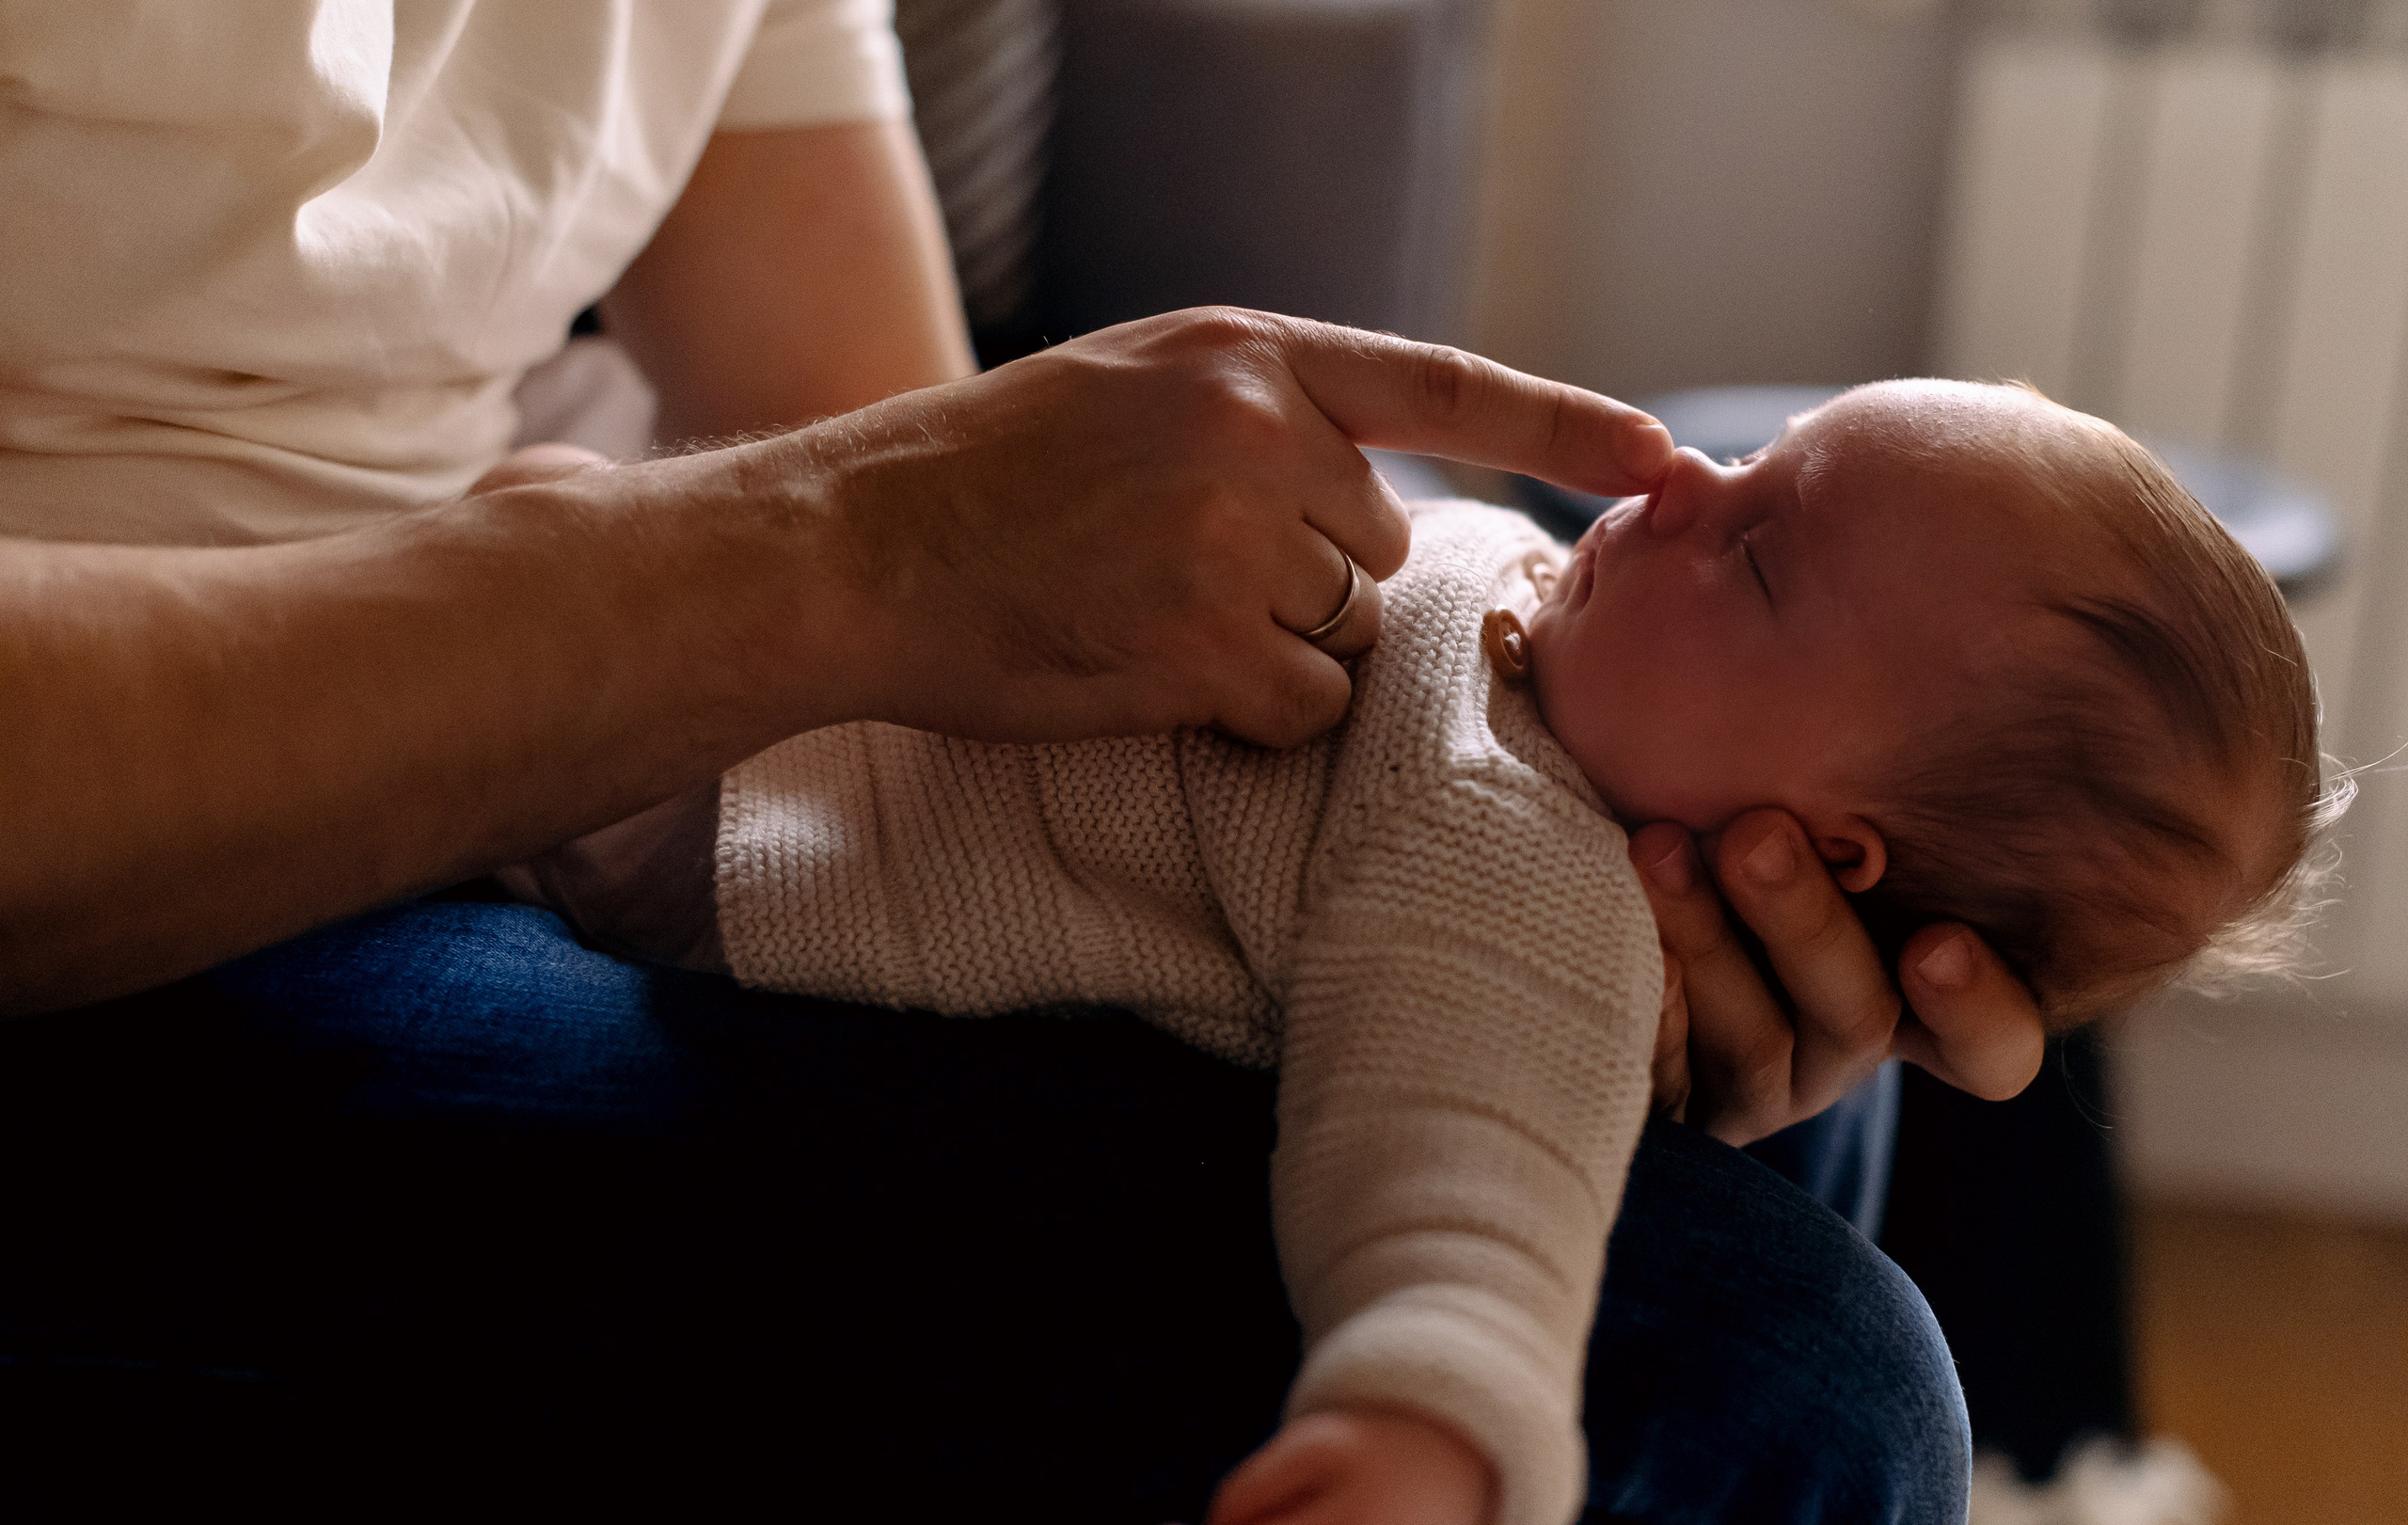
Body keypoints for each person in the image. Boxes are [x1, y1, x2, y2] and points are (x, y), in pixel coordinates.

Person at [0, 0, 2049, 1517]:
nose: (1669, 493)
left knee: (1758, 1069)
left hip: (534, 726)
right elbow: (872, 524)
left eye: (1753, 543)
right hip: (140, 872)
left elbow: (896, 476)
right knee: (1786, 1381)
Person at [516, 379, 2335, 1525]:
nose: (1681, 482)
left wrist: (1426, 1431)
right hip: (791, 733)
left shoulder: (1514, 850)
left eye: (1761, 553)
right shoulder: (1557, 654)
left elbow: (1463, 1167)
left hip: (723, 842)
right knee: (1808, 1233)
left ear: (1827, 841)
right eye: (1752, 460)